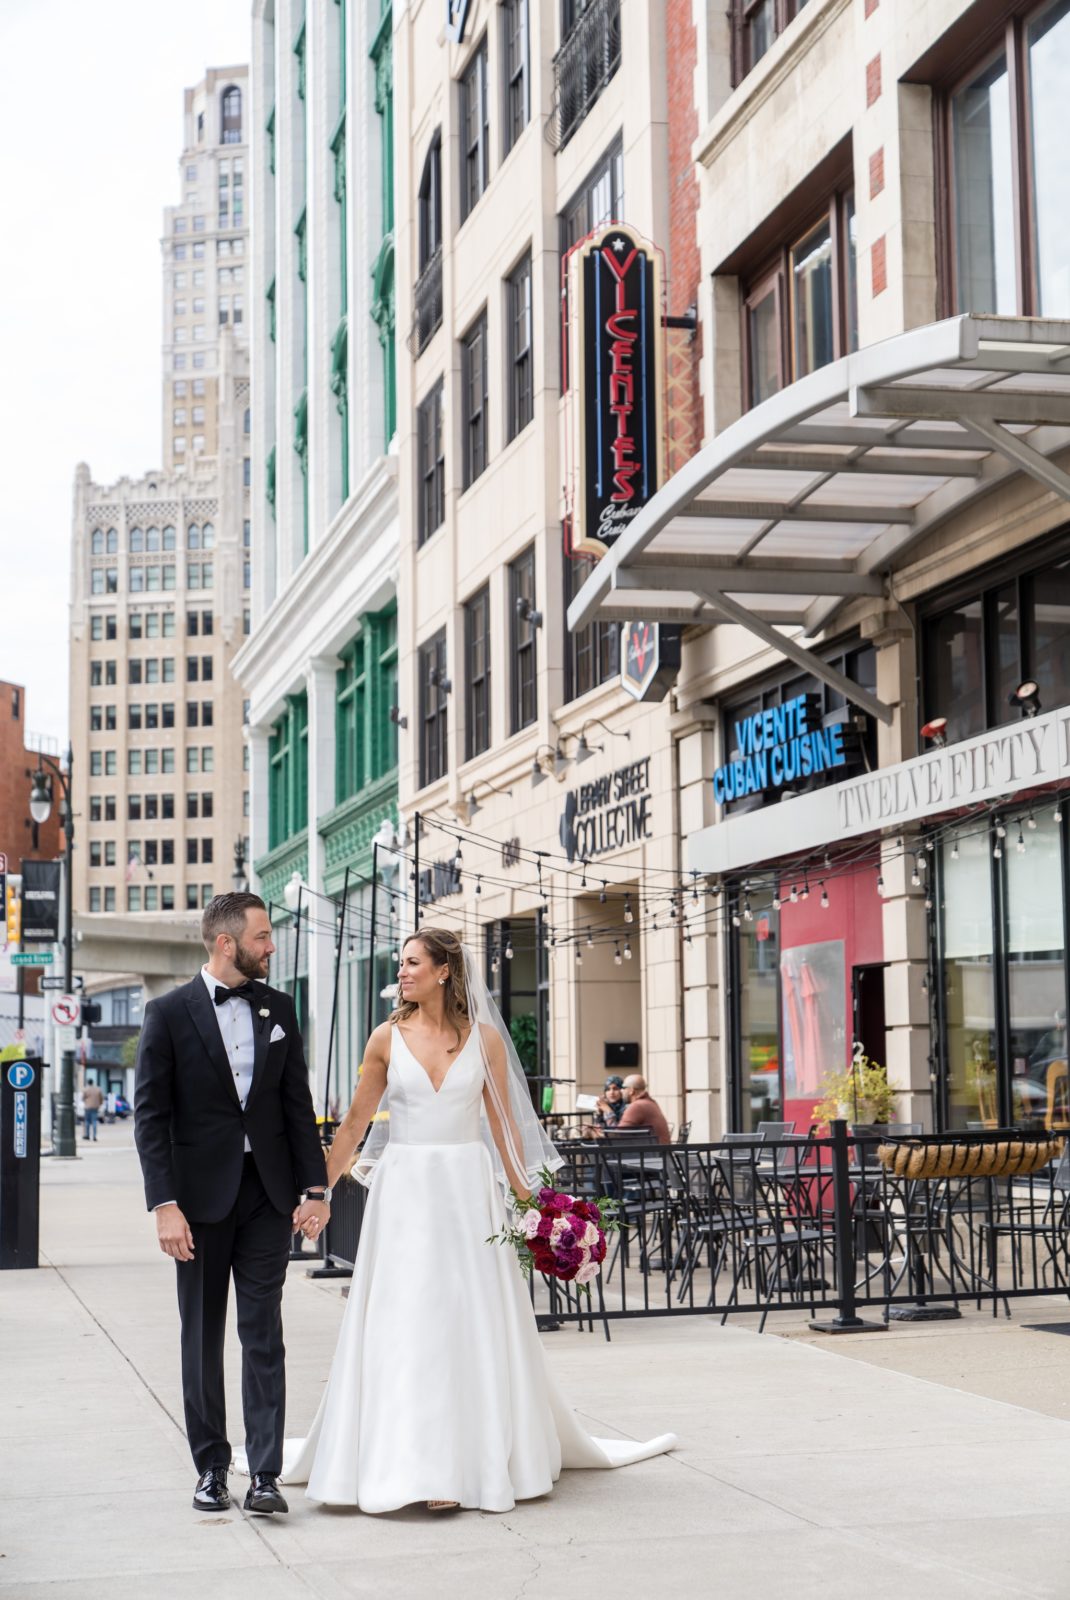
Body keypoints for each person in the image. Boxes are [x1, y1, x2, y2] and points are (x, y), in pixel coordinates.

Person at [268, 926, 676, 1513]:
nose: (401, 972)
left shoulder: (483, 1040)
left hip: (466, 1193)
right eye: (401, 963)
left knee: (466, 1321)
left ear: (443, 972)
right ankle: (411, 1463)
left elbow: (508, 1133)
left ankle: (466, 1464)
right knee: (408, 1321)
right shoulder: (385, 1038)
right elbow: (355, 1127)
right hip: (405, 1194)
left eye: (412, 963)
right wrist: (317, 1193)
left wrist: (544, 1211)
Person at [134, 892, 328, 1518]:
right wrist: (164, 1203)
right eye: (264, 936)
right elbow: (150, 1117)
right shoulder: (167, 1013)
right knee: (201, 1336)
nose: (272, 946)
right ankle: (212, 1469)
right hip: (196, 1203)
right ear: (226, 943)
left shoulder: (279, 1008)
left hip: (267, 1195)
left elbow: (296, 1104)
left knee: (262, 1333)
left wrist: (315, 1188)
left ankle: (264, 1473)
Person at [616, 1074, 671, 1144]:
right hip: (659, 1152)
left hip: (650, 1153)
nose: (621, 1090)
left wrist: (600, 1135)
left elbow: (618, 1134)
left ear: (631, 1090)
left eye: (623, 1087)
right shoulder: (650, 1103)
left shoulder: (637, 1106)